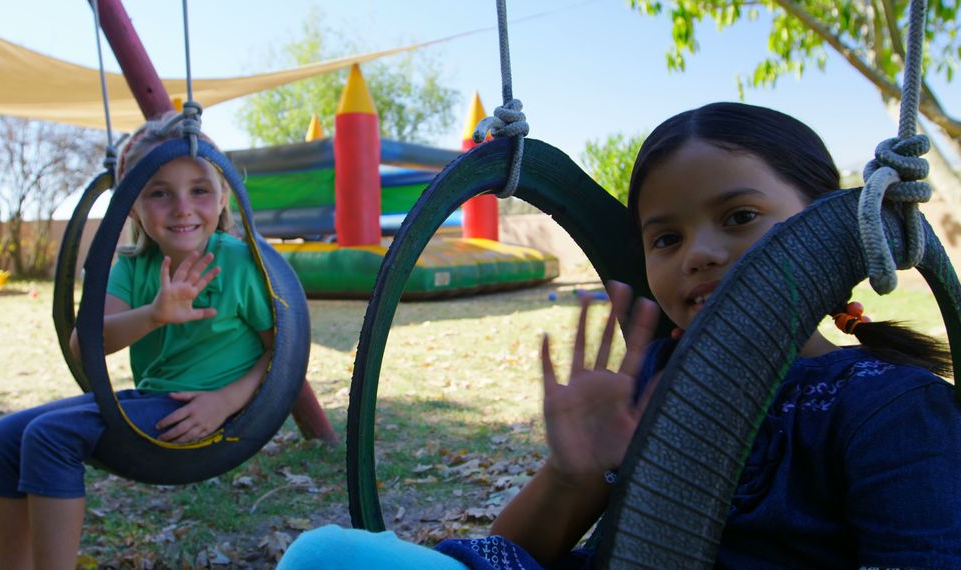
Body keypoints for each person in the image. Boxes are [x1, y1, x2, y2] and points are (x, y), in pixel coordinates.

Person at [278, 102, 960, 569]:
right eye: (667, 236)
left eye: (740, 215)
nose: (699, 252)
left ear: (825, 223)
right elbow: (520, 552)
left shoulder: (888, 405)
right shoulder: (651, 383)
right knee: (325, 554)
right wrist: (574, 478)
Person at [0, 112, 274, 570]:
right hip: (150, 401)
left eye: (199, 189)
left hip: (205, 416)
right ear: (132, 207)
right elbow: (87, 345)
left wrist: (225, 400)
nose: (182, 206)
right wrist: (153, 315)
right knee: (4, 436)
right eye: (159, 192)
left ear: (223, 199)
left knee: (48, 437)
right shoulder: (132, 265)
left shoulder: (239, 263)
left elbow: (285, 354)